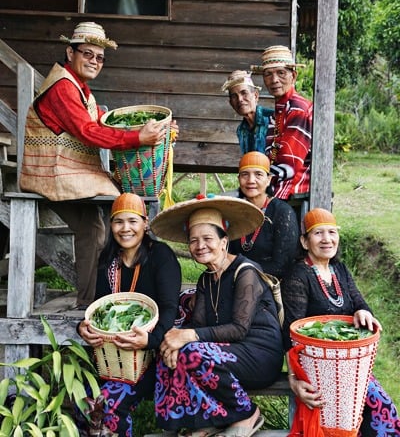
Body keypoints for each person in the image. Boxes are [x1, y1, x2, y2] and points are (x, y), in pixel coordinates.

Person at [19, 22, 168, 309]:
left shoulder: (81, 90)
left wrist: (156, 129)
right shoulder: (62, 87)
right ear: (69, 52)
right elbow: (89, 132)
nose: (94, 61)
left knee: (93, 229)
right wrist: (138, 137)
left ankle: (92, 298)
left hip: (72, 173)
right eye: (87, 54)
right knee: (124, 210)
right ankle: (116, 288)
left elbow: (104, 121)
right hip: (54, 174)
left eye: (99, 57)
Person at [150, 196, 284, 437]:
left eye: (208, 239)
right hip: (229, 352)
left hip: (260, 355)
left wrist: (186, 336)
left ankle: (247, 413)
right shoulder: (206, 279)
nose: (200, 245)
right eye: (193, 241)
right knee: (169, 352)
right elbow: (199, 324)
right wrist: (171, 342)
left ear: (224, 242)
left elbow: (239, 329)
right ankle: (204, 420)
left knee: (191, 351)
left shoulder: (246, 272)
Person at [281, 208, 400, 436]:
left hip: (349, 365)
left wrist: (363, 312)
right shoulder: (298, 276)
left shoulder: (340, 270)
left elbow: (359, 302)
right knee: (372, 411)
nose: (327, 239)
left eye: (332, 232)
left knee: (381, 409)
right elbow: (292, 331)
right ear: (304, 242)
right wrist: (294, 379)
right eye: (318, 234)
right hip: (318, 369)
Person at [78, 193, 182, 436]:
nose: (125, 229)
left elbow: (169, 308)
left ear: (145, 224)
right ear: (111, 224)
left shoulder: (161, 256)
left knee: (108, 404)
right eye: (118, 221)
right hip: (109, 358)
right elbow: (99, 307)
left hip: (150, 359)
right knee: (81, 399)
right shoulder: (108, 259)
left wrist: (150, 340)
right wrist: (83, 328)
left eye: (133, 221)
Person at [229, 151, 299, 279]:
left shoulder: (282, 212)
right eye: (245, 174)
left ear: (268, 180)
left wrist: (242, 268)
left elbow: (282, 266)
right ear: (239, 179)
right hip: (234, 279)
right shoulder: (234, 210)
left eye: (258, 174)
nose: (251, 180)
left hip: (270, 283)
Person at [258, 45, 312, 201]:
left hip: (292, 193)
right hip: (275, 188)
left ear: (293, 76)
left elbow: (288, 167)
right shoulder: (279, 110)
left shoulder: (298, 109)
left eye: (281, 73)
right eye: (268, 74)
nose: (274, 80)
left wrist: (255, 179)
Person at [221, 70, 273, 154]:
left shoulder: (273, 118)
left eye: (244, 93)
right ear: (231, 103)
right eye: (234, 96)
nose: (239, 99)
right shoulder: (241, 130)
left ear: (256, 96)